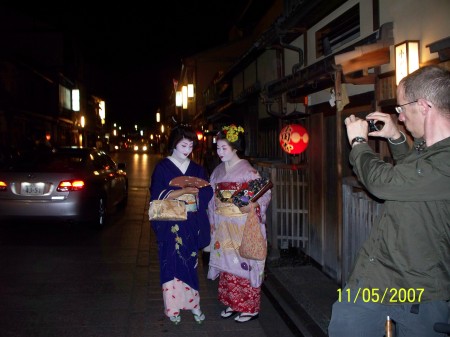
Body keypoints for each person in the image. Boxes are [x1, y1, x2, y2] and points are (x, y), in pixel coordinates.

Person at [328, 65, 450, 336]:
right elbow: (415, 176)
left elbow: (384, 183)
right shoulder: (425, 149)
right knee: (344, 325)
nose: (401, 117)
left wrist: (359, 142)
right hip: (377, 277)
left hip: (422, 290)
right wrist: (395, 137)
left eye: (402, 109)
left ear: (424, 105)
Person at [149, 124, 213, 325]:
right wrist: (177, 193)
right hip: (169, 225)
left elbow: (207, 192)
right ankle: (172, 309)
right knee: (170, 263)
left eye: (191, 146)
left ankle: (195, 305)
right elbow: (155, 195)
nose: (188, 150)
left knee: (190, 264)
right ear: (174, 144)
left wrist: (198, 193)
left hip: (191, 224)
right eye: (184, 145)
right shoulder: (162, 167)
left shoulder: (197, 169)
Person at [207, 124, 271, 323]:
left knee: (245, 265)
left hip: (242, 226)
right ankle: (233, 304)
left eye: (224, 148)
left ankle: (250, 308)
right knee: (227, 265)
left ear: (235, 148)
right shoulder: (217, 172)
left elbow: (264, 194)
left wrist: (250, 207)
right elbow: (212, 199)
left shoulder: (248, 171)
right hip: (223, 226)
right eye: (218, 148)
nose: (219, 152)